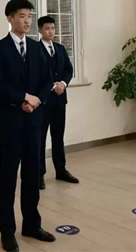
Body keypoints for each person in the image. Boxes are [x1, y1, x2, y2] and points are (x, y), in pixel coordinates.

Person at [0, 0, 55, 252]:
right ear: (10, 18)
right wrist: (23, 98)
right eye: (22, 16)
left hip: (34, 119)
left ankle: (32, 225)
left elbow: (47, 80)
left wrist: (36, 101)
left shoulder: (37, 48)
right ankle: (7, 231)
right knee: (8, 177)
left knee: (32, 173)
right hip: (10, 121)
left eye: (29, 16)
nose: (27, 21)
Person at [37, 16, 79, 190]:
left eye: (53, 28)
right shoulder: (35, 50)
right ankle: (39, 174)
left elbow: (68, 69)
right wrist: (53, 86)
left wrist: (63, 83)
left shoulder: (60, 49)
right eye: (47, 28)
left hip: (60, 101)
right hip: (43, 101)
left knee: (58, 137)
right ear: (40, 30)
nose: (51, 31)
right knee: (40, 138)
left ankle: (61, 170)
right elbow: (36, 74)